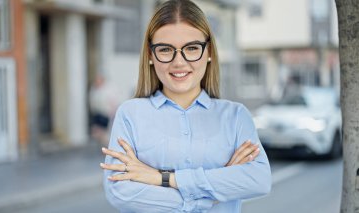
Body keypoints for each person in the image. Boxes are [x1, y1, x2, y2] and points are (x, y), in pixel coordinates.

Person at [100, 0, 271, 212]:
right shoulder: (131, 114)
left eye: (191, 48)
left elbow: (259, 180)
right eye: (165, 50)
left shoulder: (235, 117)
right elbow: (119, 191)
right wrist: (213, 193)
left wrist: (161, 178)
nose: (179, 62)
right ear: (151, 55)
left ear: (208, 52)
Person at [89, 74, 121, 147]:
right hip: (97, 113)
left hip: (106, 114)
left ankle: (107, 147)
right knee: (96, 131)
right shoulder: (94, 89)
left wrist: (112, 111)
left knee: (104, 133)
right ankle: (103, 146)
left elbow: (113, 101)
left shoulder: (109, 89)